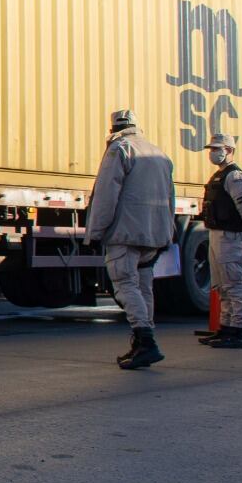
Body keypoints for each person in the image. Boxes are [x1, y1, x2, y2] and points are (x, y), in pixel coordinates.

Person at [85, 109, 176, 370]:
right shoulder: (159, 154)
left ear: (113, 127)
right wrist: (167, 233)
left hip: (125, 233)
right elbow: (170, 198)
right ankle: (143, 341)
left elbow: (105, 194)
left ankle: (145, 342)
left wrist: (95, 232)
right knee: (144, 287)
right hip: (154, 235)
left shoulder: (119, 149)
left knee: (125, 284)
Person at [197, 133, 242, 349]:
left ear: (229, 150)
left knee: (234, 284)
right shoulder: (219, 176)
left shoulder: (235, 177)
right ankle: (225, 329)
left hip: (230, 236)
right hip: (217, 234)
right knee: (221, 286)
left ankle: (237, 332)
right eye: (211, 149)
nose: (212, 153)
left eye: (217, 148)